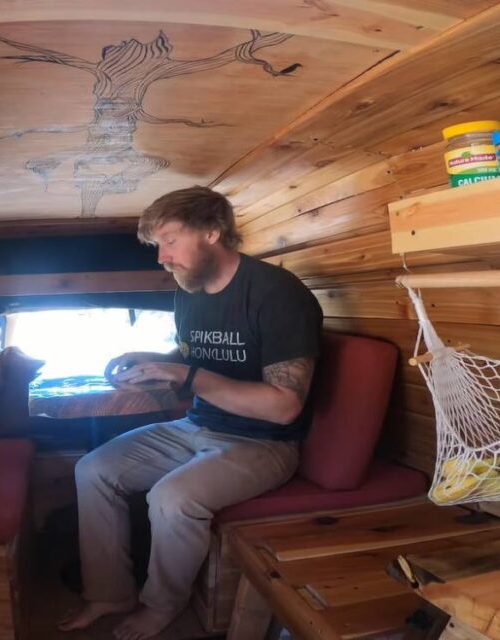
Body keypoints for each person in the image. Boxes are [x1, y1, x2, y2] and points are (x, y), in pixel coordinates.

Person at [58, 186, 323, 640]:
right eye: (156, 246)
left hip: (265, 444)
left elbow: (284, 406)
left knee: (172, 498)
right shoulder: (190, 290)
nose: (162, 257)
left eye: (170, 240)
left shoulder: (277, 293)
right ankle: (109, 592)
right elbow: (193, 356)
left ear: (213, 232)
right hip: (198, 425)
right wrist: (144, 359)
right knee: (93, 468)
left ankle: (161, 605)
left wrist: (186, 376)